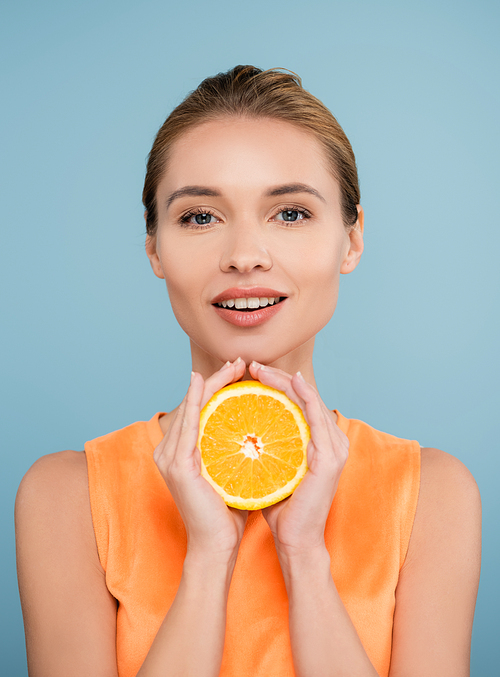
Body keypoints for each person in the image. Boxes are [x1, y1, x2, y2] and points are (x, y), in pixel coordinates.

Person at [15, 65, 481, 677]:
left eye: (289, 213)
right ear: (154, 247)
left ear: (352, 238)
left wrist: (304, 555)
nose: (244, 256)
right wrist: (209, 557)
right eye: (200, 217)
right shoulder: (64, 496)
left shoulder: (433, 495)